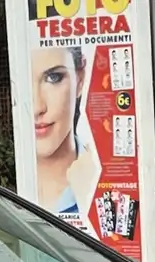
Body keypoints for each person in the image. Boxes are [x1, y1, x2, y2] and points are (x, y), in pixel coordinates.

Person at [30, 46, 101, 234]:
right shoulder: (3, 197)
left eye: (53, 78)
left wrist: (89, 197)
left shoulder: (102, 180)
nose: (37, 107)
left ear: (80, 78)